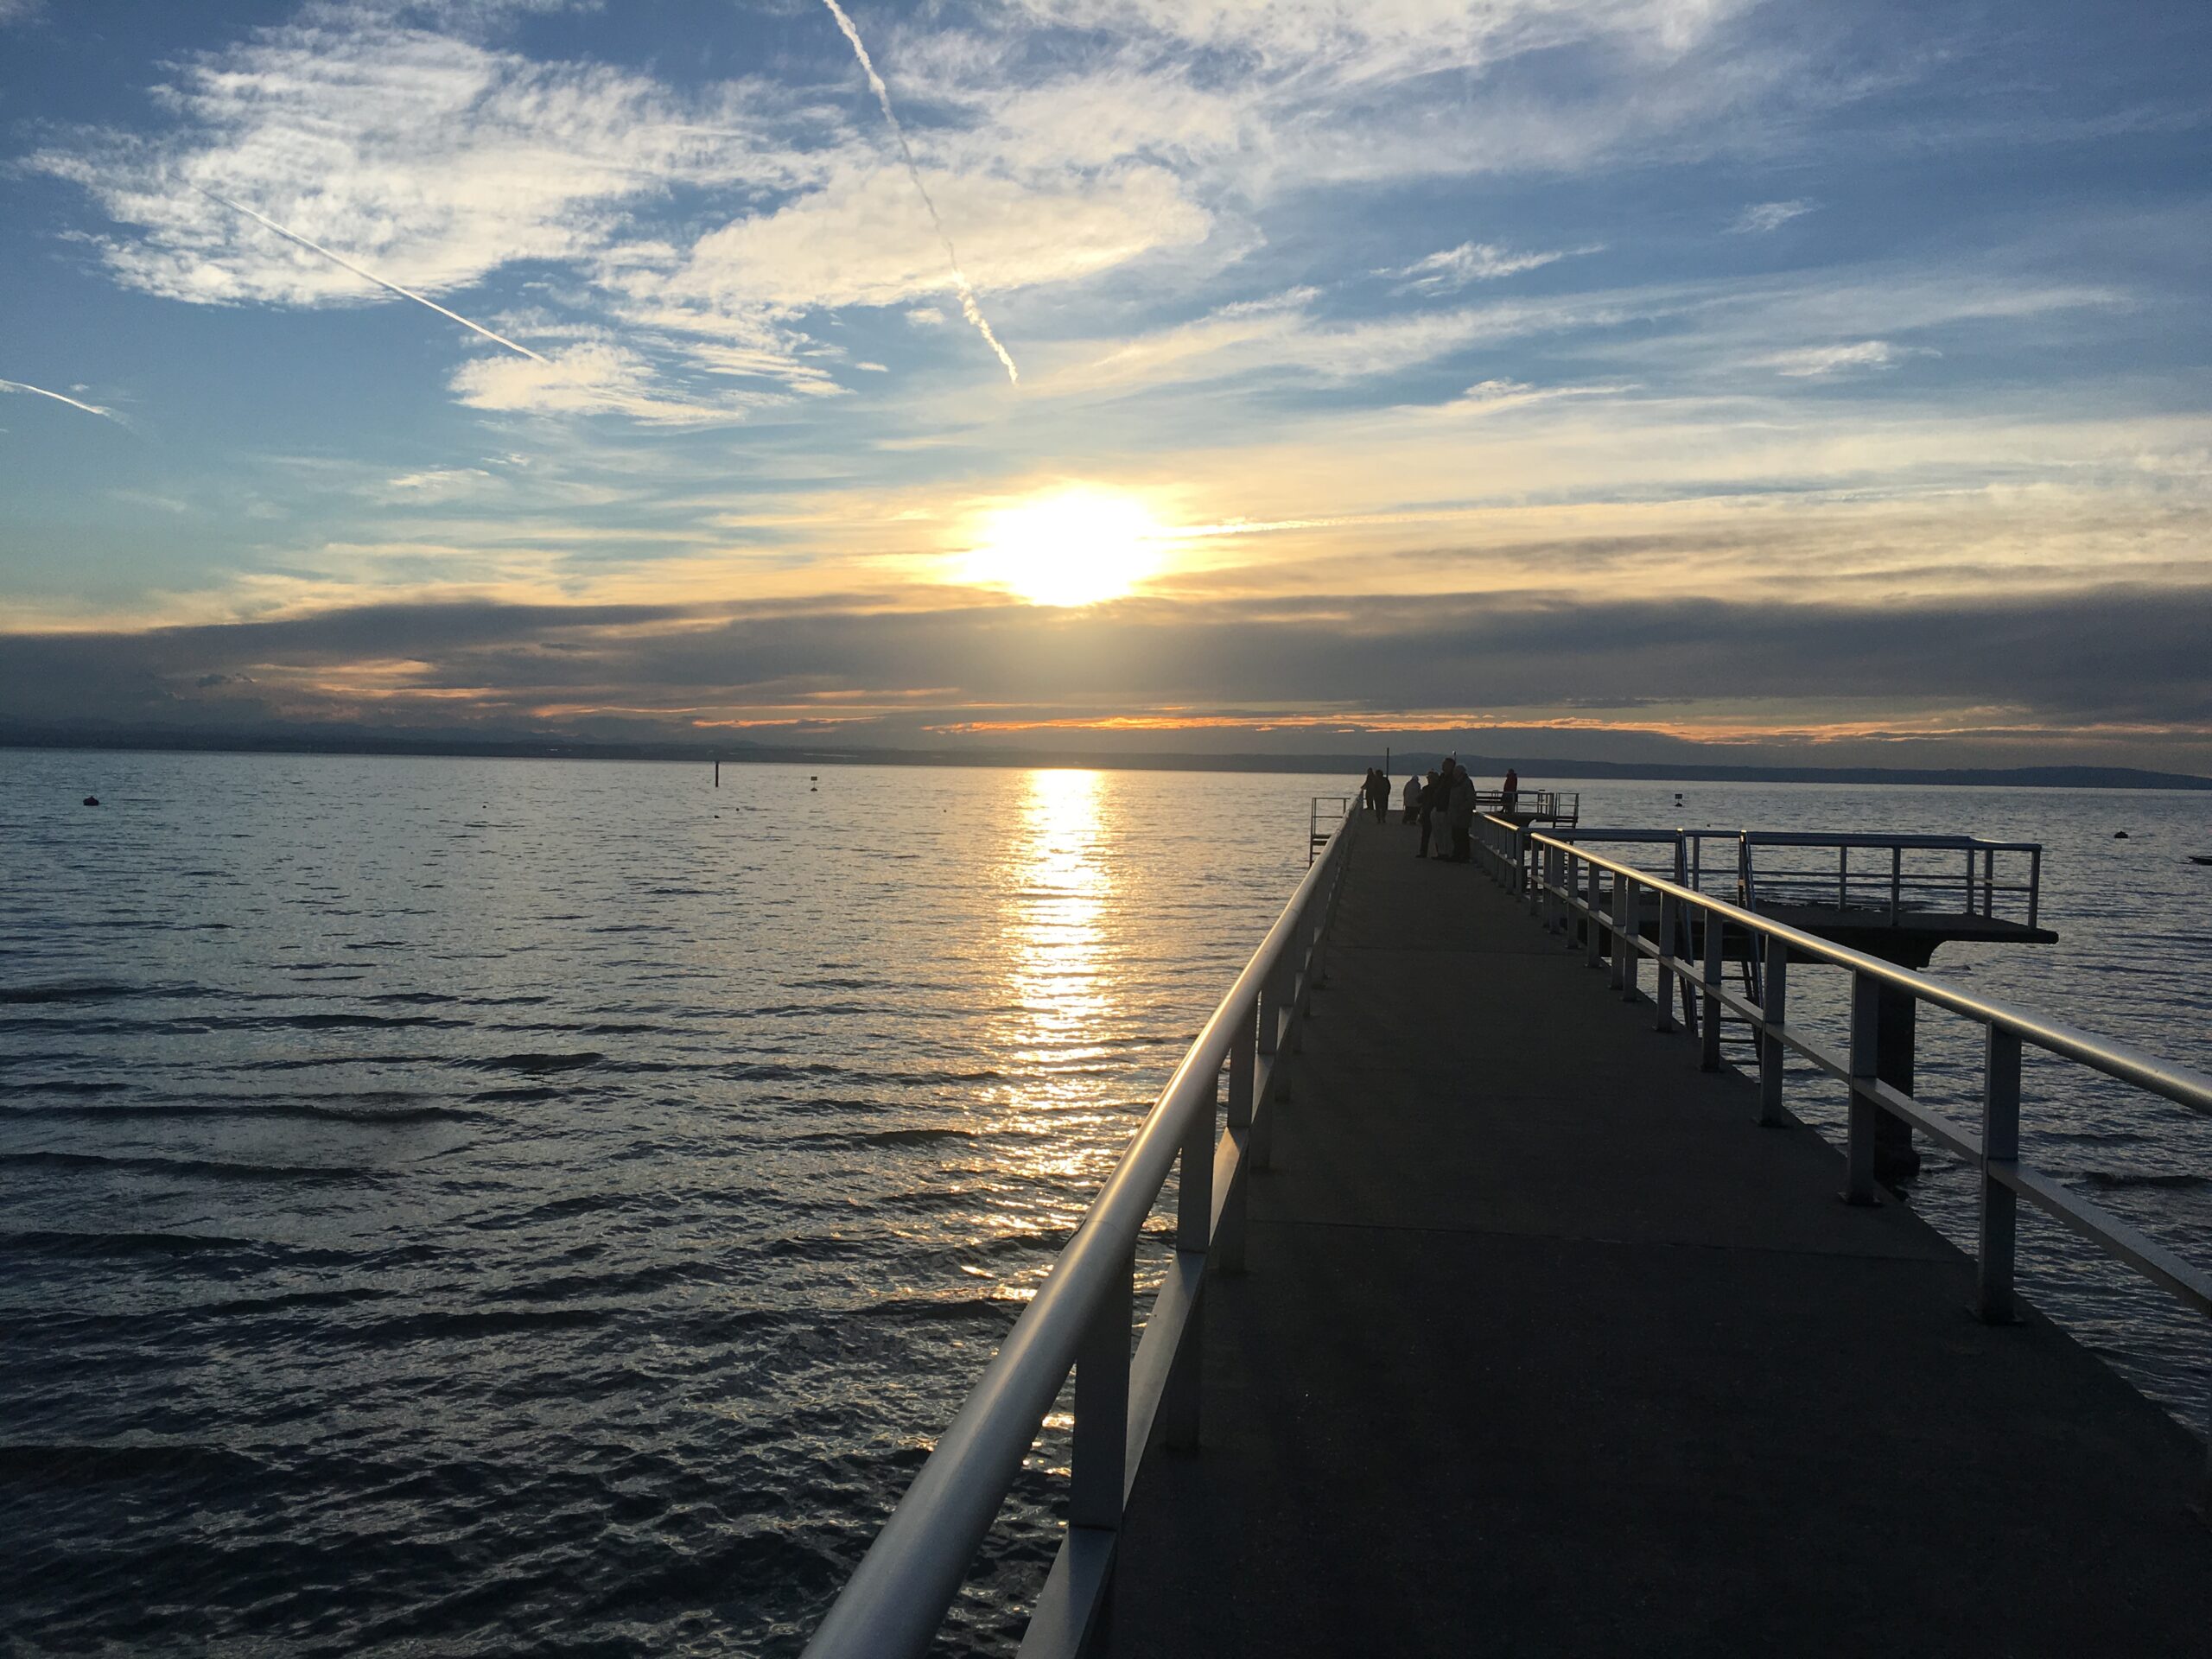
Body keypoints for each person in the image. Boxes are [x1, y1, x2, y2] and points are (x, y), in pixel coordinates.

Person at [1448, 762, 1477, 861]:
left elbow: (1470, 799)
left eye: (1455, 772)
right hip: (1455, 814)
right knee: (1456, 835)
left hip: (1462, 815)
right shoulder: (1457, 782)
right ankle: (1457, 854)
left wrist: (1461, 808)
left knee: (1462, 836)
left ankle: (1463, 856)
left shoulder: (1466, 783)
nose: (1453, 774)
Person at [1414, 768, 1443, 857]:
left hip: (1435, 812)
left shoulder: (1437, 789)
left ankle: (1440, 853)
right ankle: (1424, 852)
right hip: (1427, 813)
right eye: (1429, 779)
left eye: (1430, 779)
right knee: (1426, 834)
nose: (1429, 780)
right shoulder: (1427, 789)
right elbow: (1419, 799)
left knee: (1437, 834)